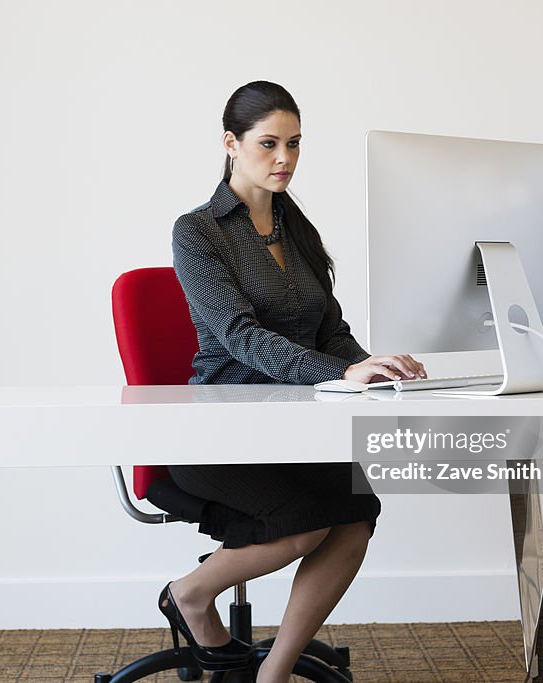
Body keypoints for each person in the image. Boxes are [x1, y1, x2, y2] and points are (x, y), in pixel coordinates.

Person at [166, 80, 427, 683]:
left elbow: (328, 329)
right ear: (230, 144)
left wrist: (373, 367)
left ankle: (273, 674)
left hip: (295, 427)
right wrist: (340, 372)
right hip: (217, 429)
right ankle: (189, 594)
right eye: (268, 144)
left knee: (358, 512)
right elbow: (239, 337)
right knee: (308, 518)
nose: (284, 158)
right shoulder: (198, 231)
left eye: (295, 144)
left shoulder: (297, 230)